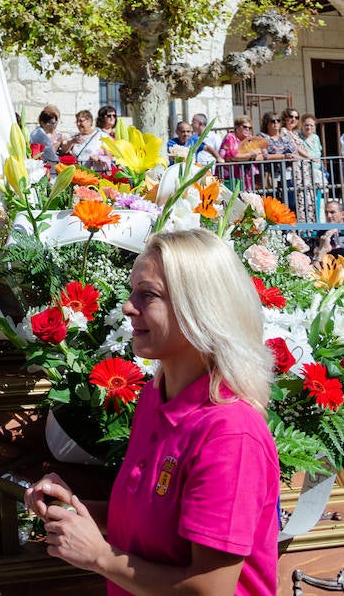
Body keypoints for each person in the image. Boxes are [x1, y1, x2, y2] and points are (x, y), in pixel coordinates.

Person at [25, 228, 279, 595]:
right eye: (133, 292)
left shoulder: (229, 433)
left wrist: (100, 557)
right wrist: (73, 510)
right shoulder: (155, 397)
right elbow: (147, 525)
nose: (129, 307)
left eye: (149, 295)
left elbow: (210, 590)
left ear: (198, 309)